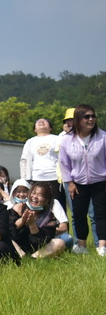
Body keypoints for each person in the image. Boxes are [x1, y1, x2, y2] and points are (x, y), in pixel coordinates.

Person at [58, 104, 106, 257]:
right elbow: (64, 163)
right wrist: (70, 183)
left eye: (93, 116)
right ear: (78, 119)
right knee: (78, 214)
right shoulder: (66, 140)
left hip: (100, 182)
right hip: (77, 183)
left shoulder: (103, 136)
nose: (91, 119)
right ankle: (82, 245)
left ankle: (102, 246)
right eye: (87, 117)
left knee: (100, 214)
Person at [8, 181, 66, 259]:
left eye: (40, 195)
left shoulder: (49, 216)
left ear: (47, 200)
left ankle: (34, 259)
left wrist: (32, 224)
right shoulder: (19, 207)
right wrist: (22, 220)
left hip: (36, 248)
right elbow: (10, 230)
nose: (35, 197)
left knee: (60, 243)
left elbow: (41, 242)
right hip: (17, 245)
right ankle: (21, 257)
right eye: (33, 193)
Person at [20, 118, 61, 207]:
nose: (41, 121)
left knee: (57, 205)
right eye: (38, 121)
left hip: (54, 178)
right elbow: (24, 161)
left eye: (45, 121)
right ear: (35, 129)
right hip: (36, 178)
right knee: (38, 205)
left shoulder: (57, 139)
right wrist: (24, 179)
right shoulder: (30, 141)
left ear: (50, 128)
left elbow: (63, 157)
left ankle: (59, 221)